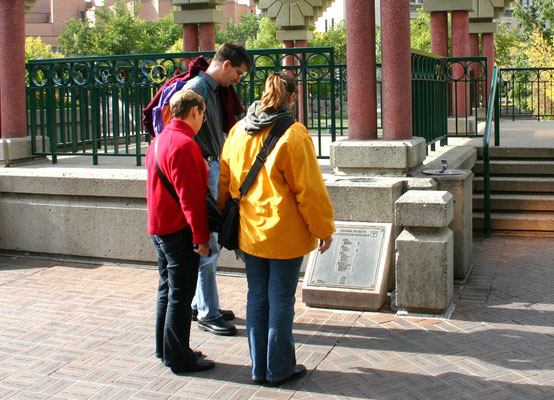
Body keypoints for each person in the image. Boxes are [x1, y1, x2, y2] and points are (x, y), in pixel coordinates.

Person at [218, 72, 335, 385]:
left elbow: (225, 181)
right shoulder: (294, 134)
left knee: (257, 297)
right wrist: (324, 227)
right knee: (281, 300)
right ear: (292, 98)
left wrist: (224, 213)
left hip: (250, 231)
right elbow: (309, 190)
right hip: (284, 234)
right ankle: (279, 368)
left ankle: (259, 368)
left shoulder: (238, 130)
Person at [183, 42, 252, 337]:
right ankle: (207, 312)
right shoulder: (196, 89)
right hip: (204, 168)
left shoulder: (210, 90)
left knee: (211, 242)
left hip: (211, 167)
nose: (237, 80)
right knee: (207, 243)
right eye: (237, 73)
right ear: (225, 65)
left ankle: (202, 304)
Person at [146, 89, 215, 374]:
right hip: (179, 231)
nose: (203, 120)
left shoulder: (159, 140)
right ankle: (178, 357)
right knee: (181, 295)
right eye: (203, 114)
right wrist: (201, 238)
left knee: (167, 291)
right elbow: (192, 198)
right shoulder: (185, 145)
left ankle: (167, 348)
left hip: (160, 228)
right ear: (195, 111)